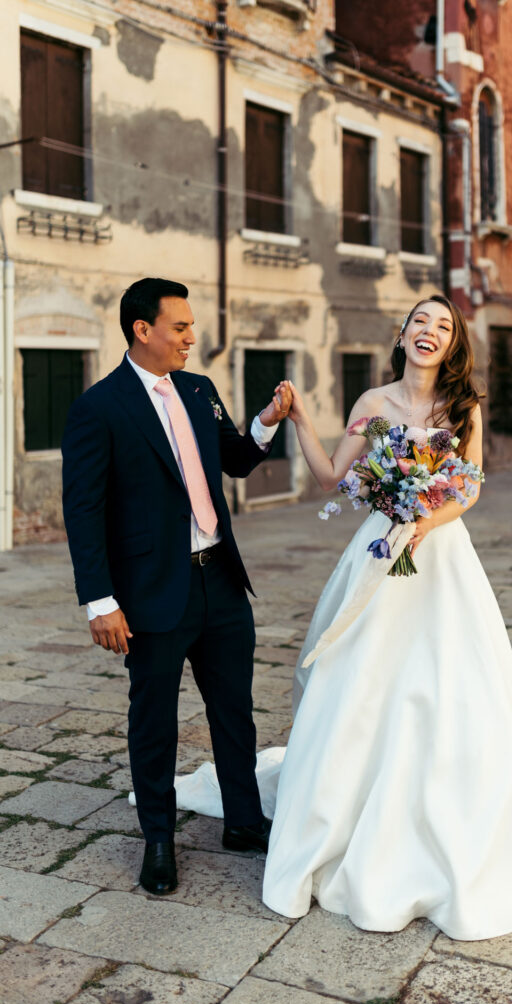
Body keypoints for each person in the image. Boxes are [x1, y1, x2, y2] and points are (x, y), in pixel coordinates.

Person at [174, 294, 512, 940]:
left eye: (442, 327)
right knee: (357, 685)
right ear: (402, 331)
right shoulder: (371, 405)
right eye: (421, 320)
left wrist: (424, 519)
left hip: (436, 555)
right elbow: (334, 475)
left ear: (451, 345)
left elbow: (469, 485)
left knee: (445, 684)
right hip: (376, 547)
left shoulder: (463, 407)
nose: (429, 331)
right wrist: (301, 418)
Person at [61, 277, 291, 897]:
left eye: (191, 326)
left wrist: (266, 422)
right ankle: (158, 839)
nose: (192, 336)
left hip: (219, 576)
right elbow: (83, 511)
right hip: (150, 592)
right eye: (181, 326)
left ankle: (243, 821)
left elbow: (235, 460)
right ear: (144, 330)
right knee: (155, 719)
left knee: (234, 710)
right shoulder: (99, 407)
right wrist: (100, 600)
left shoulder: (198, 389)